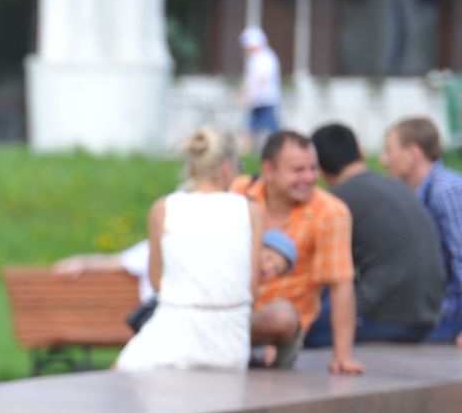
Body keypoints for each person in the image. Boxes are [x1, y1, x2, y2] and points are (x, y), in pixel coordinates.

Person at [114, 128, 260, 372]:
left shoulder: (164, 209)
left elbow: (157, 281)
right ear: (226, 168)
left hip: (175, 336)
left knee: (117, 374)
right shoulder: (250, 211)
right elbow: (251, 287)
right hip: (231, 344)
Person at [236, 130, 360, 374]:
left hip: (282, 322)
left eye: (313, 168)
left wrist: (343, 357)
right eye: (298, 170)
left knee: (282, 316)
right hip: (231, 309)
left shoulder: (330, 211)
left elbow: (341, 283)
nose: (309, 177)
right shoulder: (238, 192)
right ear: (269, 170)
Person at [309, 122, 443, 345]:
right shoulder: (398, 186)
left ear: (320, 170)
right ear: (360, 153)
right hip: (427, 316)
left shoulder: (336, 202)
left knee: (297, 330)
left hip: (383, 320)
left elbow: (321, 273)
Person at [382, 116, 462, 346]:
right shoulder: (420, 192)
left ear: (413, 152)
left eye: (390, 150)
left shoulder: (445, 190)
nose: (385, 160)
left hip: (450, 318)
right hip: (433, 313)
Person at [237, 27, 282, 143]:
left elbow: (261, 80)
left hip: (265, 101)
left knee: (272, 131)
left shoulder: (265, 57)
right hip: (258, 101)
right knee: (250, 129)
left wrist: (248, 95)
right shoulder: (256, 58)